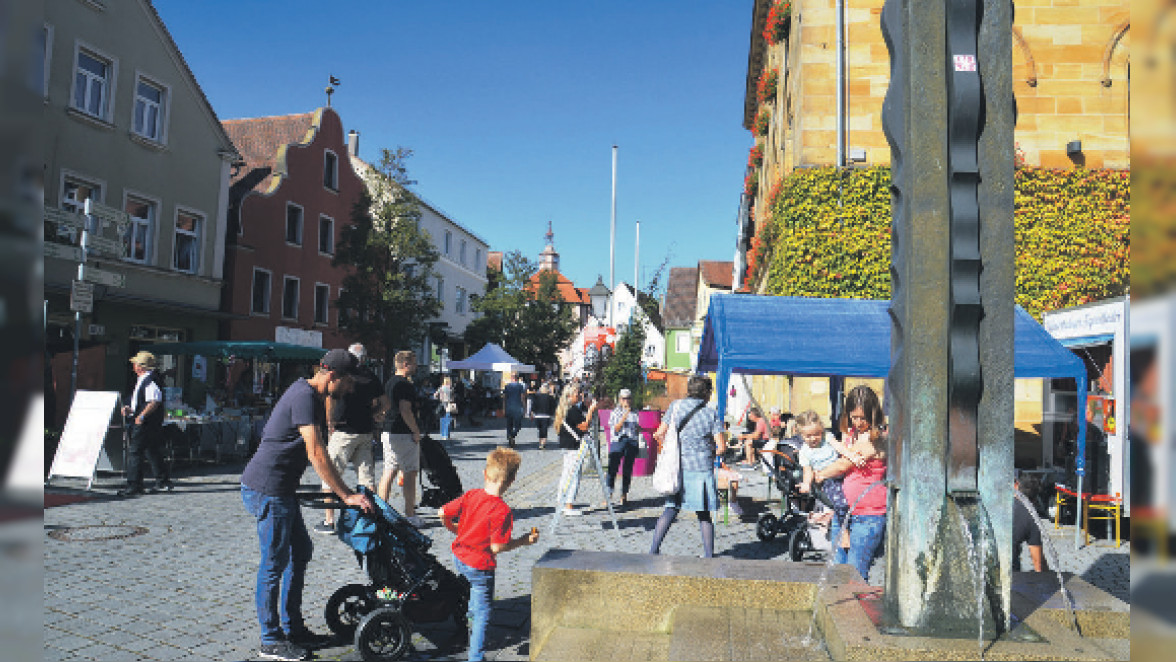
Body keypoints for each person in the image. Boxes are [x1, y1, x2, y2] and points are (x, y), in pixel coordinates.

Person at [240, 349, 375, 662]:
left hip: (282, 489)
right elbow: (316, 452)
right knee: (273, 563)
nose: (352, 389)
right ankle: (270, 640)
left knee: (301, 552)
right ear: (333, 376)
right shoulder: (303, 395)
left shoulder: (313, 396)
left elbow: (319, 446)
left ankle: (294, 627)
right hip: (267, 488)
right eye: (349, 383)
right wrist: (346, 495)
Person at [439, 447, 539, 662]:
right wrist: (523, 541)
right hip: (480, 566)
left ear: (485, 474)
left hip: (460, 558)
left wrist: (453, 528)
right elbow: (497, 547)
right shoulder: (502, 511)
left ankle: (469, 619)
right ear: (511, 481)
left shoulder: (471, 495)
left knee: (474, 599)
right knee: (484, 612)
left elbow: (442, 512)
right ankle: (475, 657)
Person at [814, 385, 888, 581]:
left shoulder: (877, 438)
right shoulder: (853, 433)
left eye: (863, 418)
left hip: (868, 514)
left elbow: (841, 465)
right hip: (846, 512)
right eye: (854, 417)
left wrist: (820, 474)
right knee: (839, 570)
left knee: (856, 573)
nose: (858, 422)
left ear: (874, 414)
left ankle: (856, 610)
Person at [649, 374, 726, 558]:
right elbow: (721, 447)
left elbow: (658, 434)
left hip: (677, 468)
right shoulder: (710, 413)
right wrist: (709, 452)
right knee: (704, 514)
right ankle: (708, 555)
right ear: (706, 393)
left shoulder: (675, 407)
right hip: (701, 469)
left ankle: (654, 549)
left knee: (670, 509)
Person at [315, 343, 388, 534]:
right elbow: (385, 402)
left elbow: (331, 398)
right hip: (365, 431)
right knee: (367, 478)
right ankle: (371, 517)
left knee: (330, 474)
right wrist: (375, 414)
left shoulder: (344, 375)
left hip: (343, 430)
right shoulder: (371, 377)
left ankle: (329, 521)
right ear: (364, 357)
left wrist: (329, 422)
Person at [378, 350, 425, 528]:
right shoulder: (405, 385)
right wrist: (415, 430)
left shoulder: (389, 382)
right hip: (403, 433)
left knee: (388, 471)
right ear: (406, 364)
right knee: (410, 473)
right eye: (414, 362)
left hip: (388, 431)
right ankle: (410, 514)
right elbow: (406, 410)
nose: (416, 366)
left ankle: (382, 510)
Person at [118, 351, 172, 496]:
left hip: (146, 422)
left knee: (135, 452)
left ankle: (134, 485)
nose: (133, 366)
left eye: (135, 364)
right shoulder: (144, 379)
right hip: (149, 421)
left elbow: (154, 401)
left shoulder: (150, 380)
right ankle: (163, 481)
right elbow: (143, 401)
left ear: (141, 366)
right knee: (152, 450)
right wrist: (131, 409)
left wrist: (141, 416)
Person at [794, 410, 855, 531]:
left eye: (816, 434)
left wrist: (850, 454)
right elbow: (808, 470)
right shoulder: (805, 452)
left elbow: (839, 446)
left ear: (821, 430)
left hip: (841, 472)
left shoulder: (827, 437)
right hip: (828, 480)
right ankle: (844, 528)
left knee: (853, 497)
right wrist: (806, 483)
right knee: (841, 503)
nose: (813, 438)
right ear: (801, 435)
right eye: (808, 436)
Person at [553, 383, 597, 516]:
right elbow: (584, 426)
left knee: (566, 473)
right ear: (569, 396)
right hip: (573, 446)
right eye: (577, 394)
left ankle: (561, 501)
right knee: (574, 474)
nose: (579, 396)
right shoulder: (573, 411)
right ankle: (569, 504)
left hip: (566, 445)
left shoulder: (564, 410)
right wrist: (591, 410)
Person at [606, 388, 642, 507]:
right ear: (620, 400)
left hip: (631, 441)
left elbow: (637, 427)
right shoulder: (615, 412)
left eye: (628, 398)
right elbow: (616, 428)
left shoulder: (635, 412)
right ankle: (609, 495)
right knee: (612, 469)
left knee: (627, 469)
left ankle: (624, 495)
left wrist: (639, 430)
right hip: (618, 440)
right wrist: (625, 415)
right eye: (624, 398)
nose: (626, 401)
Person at [1013, 473, 1046, 572]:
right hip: (1010, 572)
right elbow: (1037, 564)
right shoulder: (1032, 518)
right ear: (1036, 497)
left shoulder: (1002, 503)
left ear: (1016, 485)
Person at [530, 382, 556, 449]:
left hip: (538, 416)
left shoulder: (536, 397)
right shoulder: (550, 398)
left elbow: (533, 406)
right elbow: (554, 407)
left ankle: (540, 442)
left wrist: (532, 413)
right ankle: (542, 443)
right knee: (544, 430)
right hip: (546, 416)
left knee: (540, 430)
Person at [502, 372, 526, 446]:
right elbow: (522, 397)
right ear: (517, 378)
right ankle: (512, 435)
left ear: (511, 378)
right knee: (518, 425)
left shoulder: (507, 386)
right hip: (518, 407)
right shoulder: (520, 386)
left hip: (509, 407)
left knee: (509, 424)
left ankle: (510, 436)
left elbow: (504, 398)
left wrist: (503, 408)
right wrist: (525, 407)